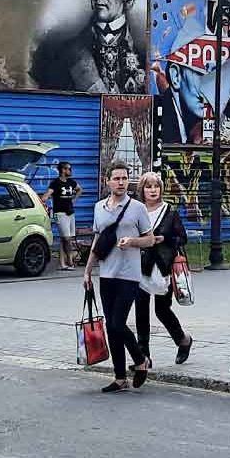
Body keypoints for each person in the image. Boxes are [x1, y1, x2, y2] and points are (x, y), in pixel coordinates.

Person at [84, 161, 154, 392]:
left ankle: (141, 360)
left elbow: (150, 239)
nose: (121, 182)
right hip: (107, 273)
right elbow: (98, 241)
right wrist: (87, 271)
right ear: (108, 181)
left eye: (125, 178)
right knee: (112, 327)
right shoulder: (99, 208)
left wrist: (132, 242)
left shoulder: (137, 208)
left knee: (117, 323)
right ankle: (120, 376)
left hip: (129, 274)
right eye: (117, 178)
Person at [133, 171, 193, 365]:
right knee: (141, 310)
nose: (152, 190)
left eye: (156, 186)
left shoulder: (170, 212)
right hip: (140, 266)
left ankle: (183, 340)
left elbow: (182, 238)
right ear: (142, 190)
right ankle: (144, 356)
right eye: (148, 186)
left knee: (162, 310)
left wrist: (164, 239)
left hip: (162, 266)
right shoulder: (136, 210)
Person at [41, 162, 83, 271]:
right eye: (68, 169)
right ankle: (69, 261)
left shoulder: (71, 182)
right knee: (66, 239)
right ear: (63, 170)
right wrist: (43, 201)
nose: (70, 171)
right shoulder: (55, 183)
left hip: (70, 212)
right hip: (60, 213)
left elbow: (80, 189)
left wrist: (74, 199)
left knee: (64, 239)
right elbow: (46, 196)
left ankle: (62, 263)